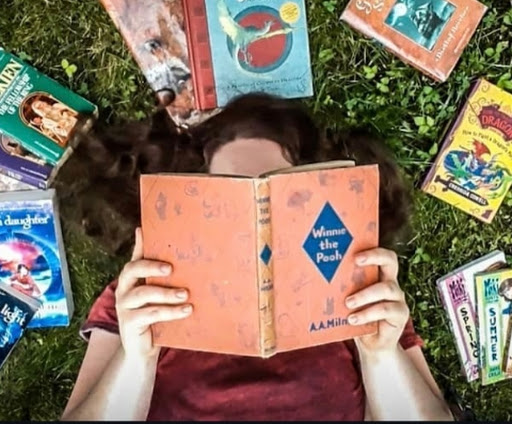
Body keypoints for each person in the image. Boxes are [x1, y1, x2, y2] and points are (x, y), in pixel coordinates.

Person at [61, 93, 453, 421]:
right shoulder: (148, 288)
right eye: (233, 200)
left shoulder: (356, 279)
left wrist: (381, 356)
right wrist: (136, 361)